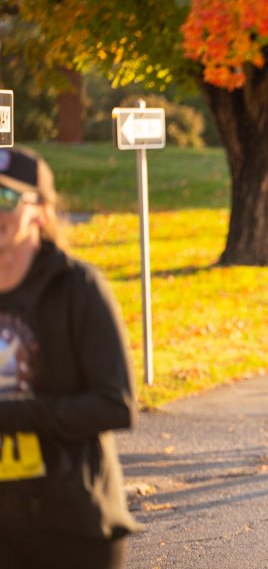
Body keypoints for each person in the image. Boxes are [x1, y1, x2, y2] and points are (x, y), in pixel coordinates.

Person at [0, 147, 140, 568]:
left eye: (5, 198)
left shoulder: (78, 288)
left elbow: (116, 404)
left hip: (72, 524)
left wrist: (16, 415)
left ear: (40, 212)